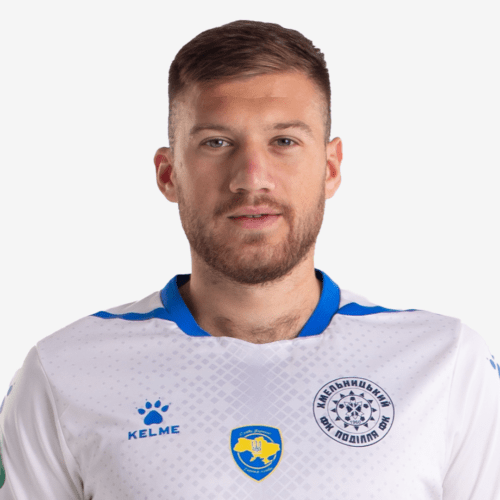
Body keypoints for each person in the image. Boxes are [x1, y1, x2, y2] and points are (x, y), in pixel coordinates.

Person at [0, 19, 499, 500]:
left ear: (330, 168)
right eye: (217, 143)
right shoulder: (66, 372)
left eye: (284, 141)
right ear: (169, 174)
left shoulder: (447, 365)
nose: (252, 177)